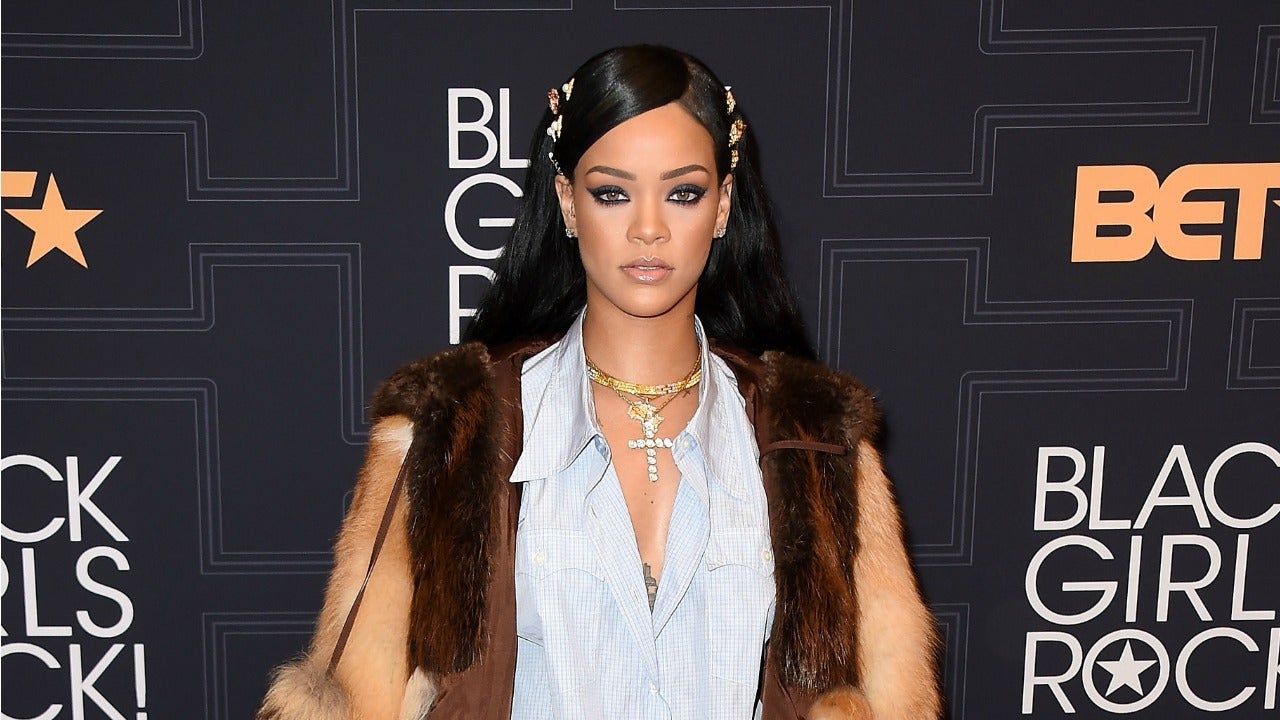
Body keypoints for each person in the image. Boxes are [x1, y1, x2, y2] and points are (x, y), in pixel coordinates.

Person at [258, 44, 941, 720]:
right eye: (612, 193)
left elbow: (892, 695)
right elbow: (362, 693)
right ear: (566, 201)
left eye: (683, 193)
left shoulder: (817, 441)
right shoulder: (449, 428)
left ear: (723, 205)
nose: (648, 228)